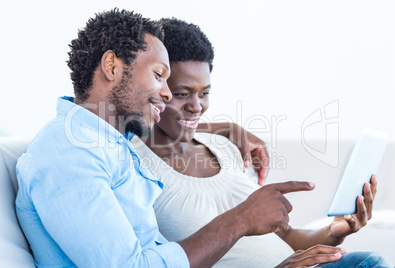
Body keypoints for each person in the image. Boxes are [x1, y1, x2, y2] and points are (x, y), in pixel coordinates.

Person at [15, 9, 318, 268]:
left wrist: (224, 128)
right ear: (112, 67)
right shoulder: (68, 151)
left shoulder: (109, 144)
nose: (166, 92)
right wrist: (241, 219)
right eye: (159, 75)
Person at [131, 18, 394, 267]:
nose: (197, 106)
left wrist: (335, 232)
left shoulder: (225, 148)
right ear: (156, 85)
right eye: (181, 94)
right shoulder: (133, 166)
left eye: (205, 93)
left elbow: (285, 239)